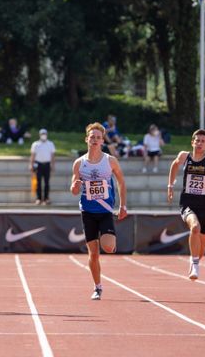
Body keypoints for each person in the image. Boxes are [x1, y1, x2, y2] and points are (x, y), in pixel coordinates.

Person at [70, 123, 127, 300]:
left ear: (102, 141)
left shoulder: (110, 161)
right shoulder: (79, 163)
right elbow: (73, 189)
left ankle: (110, 242)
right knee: (93, 254)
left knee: (108, 248)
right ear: (86, 139)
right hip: (87, 211)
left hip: (105, 211)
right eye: (92, 137)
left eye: (98, 137)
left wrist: (123, 205)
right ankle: (97, 287)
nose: (94, 140)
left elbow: (121, 182)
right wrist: (75, 185)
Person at [167, 129, 205, 280]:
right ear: (192, 142)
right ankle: (194, 264)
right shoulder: (184, 156)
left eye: (203, 141)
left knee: (202, 247)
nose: (199, 143)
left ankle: (195, 259)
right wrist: (170, 185)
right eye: (197, 140)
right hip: (187, 203)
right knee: (195, 227)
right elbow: (174, 165)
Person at [29, 129, 56, 205]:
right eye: (42, 134)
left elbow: (52, 156)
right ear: (39, 135)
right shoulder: (35, 144)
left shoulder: (50, 144)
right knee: (38, 182)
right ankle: (39, 198)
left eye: (44, 133)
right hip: (38, 165)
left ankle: (46, 198)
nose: (43, 135)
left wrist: (53, 165)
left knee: (47, 182)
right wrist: (31, 164)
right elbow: (33, 156)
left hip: (47, 165)